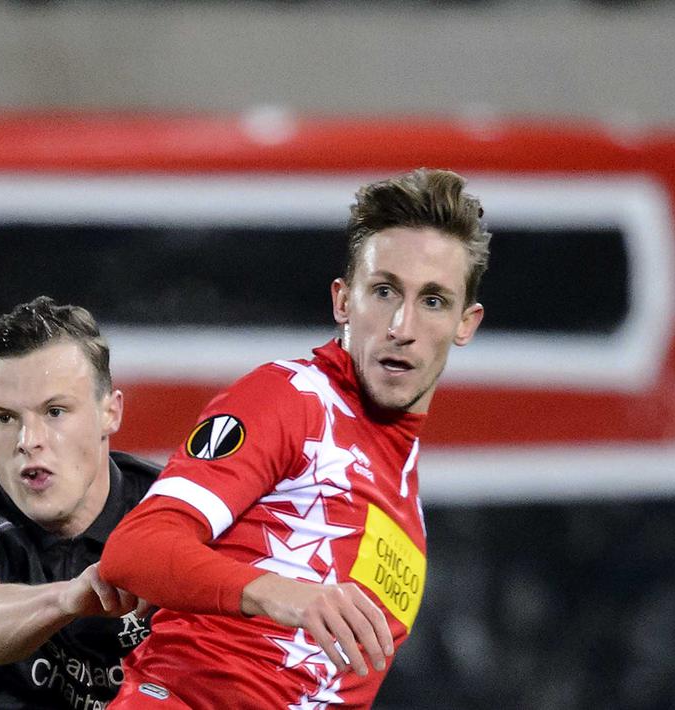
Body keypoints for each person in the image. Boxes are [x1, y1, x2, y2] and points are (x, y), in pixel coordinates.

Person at [99, 168, 490, 709]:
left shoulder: (408, 513)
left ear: (465, 324)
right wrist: (280, 595)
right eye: (383, 291)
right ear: (343, 301)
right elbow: (135, 550)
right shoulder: (292, 400)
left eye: (433, 301)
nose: (402, 325)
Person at [0, 296, 160, 709]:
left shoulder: (180, 513)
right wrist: (70, 598)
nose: (28, 441)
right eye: (3, 417)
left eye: (55, 411)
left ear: (110, 412)